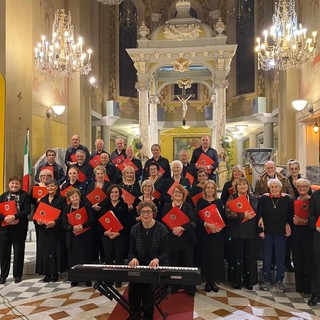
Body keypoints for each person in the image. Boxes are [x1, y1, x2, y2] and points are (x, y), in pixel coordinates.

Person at [128, 201, 168, 320]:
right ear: (139, 214)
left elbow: (165, 253)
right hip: (138, 266)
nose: (146, 214)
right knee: (133, 292)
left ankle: (148, 317)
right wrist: (133, 258)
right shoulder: (134, 229)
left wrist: (157, 259)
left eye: (148, 212)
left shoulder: (162, 229)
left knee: (148, 293)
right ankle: (135, 316)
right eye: (143, 212)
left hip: (153, 267)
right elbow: (131, 251)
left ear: (153, 213)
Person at [258, 179, 293, 292]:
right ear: (269, 188)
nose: (274, 189)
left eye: (276, 187)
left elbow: (290, 214)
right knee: (267, 257)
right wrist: (260, 229)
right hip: (267, 232)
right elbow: (259, 215)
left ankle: (279, 281)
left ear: (280, 188)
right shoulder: (264, 198)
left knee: (280, 257)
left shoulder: (286, 199)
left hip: (281, 233)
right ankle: (266, 280)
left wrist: (288, 224)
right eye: (272, 187)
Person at [161, 184, 197, 296]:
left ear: (183, 195)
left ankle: (189, 287)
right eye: (175, 192)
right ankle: (174, 285)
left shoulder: (187, 206)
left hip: (186, 240)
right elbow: (163, 223)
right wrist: (172, 229)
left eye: (180, 192)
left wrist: (182, 228)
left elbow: (193, 222)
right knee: (174, 264)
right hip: (172, 240)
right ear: (172, 194)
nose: (177, 194)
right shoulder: (167, 207)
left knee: (188, 264)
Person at [225, 177, 259, 290]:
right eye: (240, 185)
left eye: (244, 184)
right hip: (236, 232)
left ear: (248, 186)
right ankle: (236, 281)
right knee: (236, 257)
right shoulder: (232, 198)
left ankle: (249, 281)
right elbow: (228, 213)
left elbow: (258, 213)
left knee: (249, 257)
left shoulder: (253, 198)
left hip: (250, 232)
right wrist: (243, 215)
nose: (242, 186)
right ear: (236, 187)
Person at [0, 176, 31, 284]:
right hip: (5, 228)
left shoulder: (25, 196)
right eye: (12, 183)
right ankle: (3, 275)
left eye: (16, 184)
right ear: (9, 184)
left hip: (19, 228)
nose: (14, 185)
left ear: (20, 185)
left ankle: (17, 275)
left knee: (18, 251)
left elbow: (27, 210)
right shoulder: (3, 196)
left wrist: (14, 217)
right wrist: (5, 218)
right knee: (4, 252)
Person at [99, 185, 132, 288]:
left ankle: (118, 279)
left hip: (120, 236)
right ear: (109, 194)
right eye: (112, 192)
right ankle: (109, 279)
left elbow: (127, 222)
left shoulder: (124, 205)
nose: (114, 194)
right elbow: (100, 221)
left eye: (116, 192)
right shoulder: (105, 205)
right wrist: (105, 232)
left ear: (119, 193)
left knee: (119, 258)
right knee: (108, 258)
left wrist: (118, 233)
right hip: (107, 235)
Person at [195, 180, 225, 292]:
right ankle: (207, 282)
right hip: (204, 234)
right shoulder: (200, 202)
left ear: (215, 190)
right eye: (208, 188)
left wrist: (218, 227)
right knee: (205, 256)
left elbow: (222, 217)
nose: (210, 190)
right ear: (205, 189)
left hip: (216, 234)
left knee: (215, 257)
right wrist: (206, 224)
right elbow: (196, 217)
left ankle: (213, 281)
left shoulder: (219, 202)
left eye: (212, 188)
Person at [36, 179, 66, 282]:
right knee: (45, 252)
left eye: (52, 186)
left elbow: (64, 216)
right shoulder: (43, 200)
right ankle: (47, 273)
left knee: (55, 251)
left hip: (56, 230)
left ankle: (55, 273)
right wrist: (39, 221)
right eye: (48, 186)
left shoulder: (62, 199)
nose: (50, 188)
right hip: (44, 230)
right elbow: (39, 214)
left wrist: (55, 222)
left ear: (56, 187)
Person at [62, 188, 93, 287]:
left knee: (85, 258)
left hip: (84, 236)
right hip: (72, 237)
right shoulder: (67, 208)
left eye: (76, 196)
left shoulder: (86, 206)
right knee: (73, 259)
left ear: (79, 197)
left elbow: (92, 219)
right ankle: (74, 279)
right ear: (69, 198)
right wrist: (72, 227)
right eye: (72, 197)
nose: (75, 198)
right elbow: (64, 223)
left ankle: (87, 279)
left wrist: (82, 226)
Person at [85, 165, 111, 263]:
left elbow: (110, 198)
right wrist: (92, 206)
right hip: (92, 214)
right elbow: (86, 199)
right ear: (95, 175)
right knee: (94, 236)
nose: (100, 176)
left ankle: (104, 257)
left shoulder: (109, 185)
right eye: (98, 174)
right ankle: (94, 258)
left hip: (104, 213)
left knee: (103, 236)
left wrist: (101, 206)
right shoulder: (91, 185)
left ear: (105, 174)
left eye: (101, 174)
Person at [291, 178, 312, 294]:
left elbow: (316, 218)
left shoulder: (313, 200)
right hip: (296, 236)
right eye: (299, 186)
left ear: (308, 188)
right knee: (297, 261)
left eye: (304, 186)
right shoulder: (293, 200)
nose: (302, 188)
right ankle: (299, 286)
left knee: (309, 262)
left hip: (309, 235)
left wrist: (304, 221)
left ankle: (308, 287)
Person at [307, 184, 320, 306]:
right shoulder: (316, 195)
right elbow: (311, 214)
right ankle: (315, 294)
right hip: (318, 234)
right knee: (317, 263)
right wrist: (315, 225)